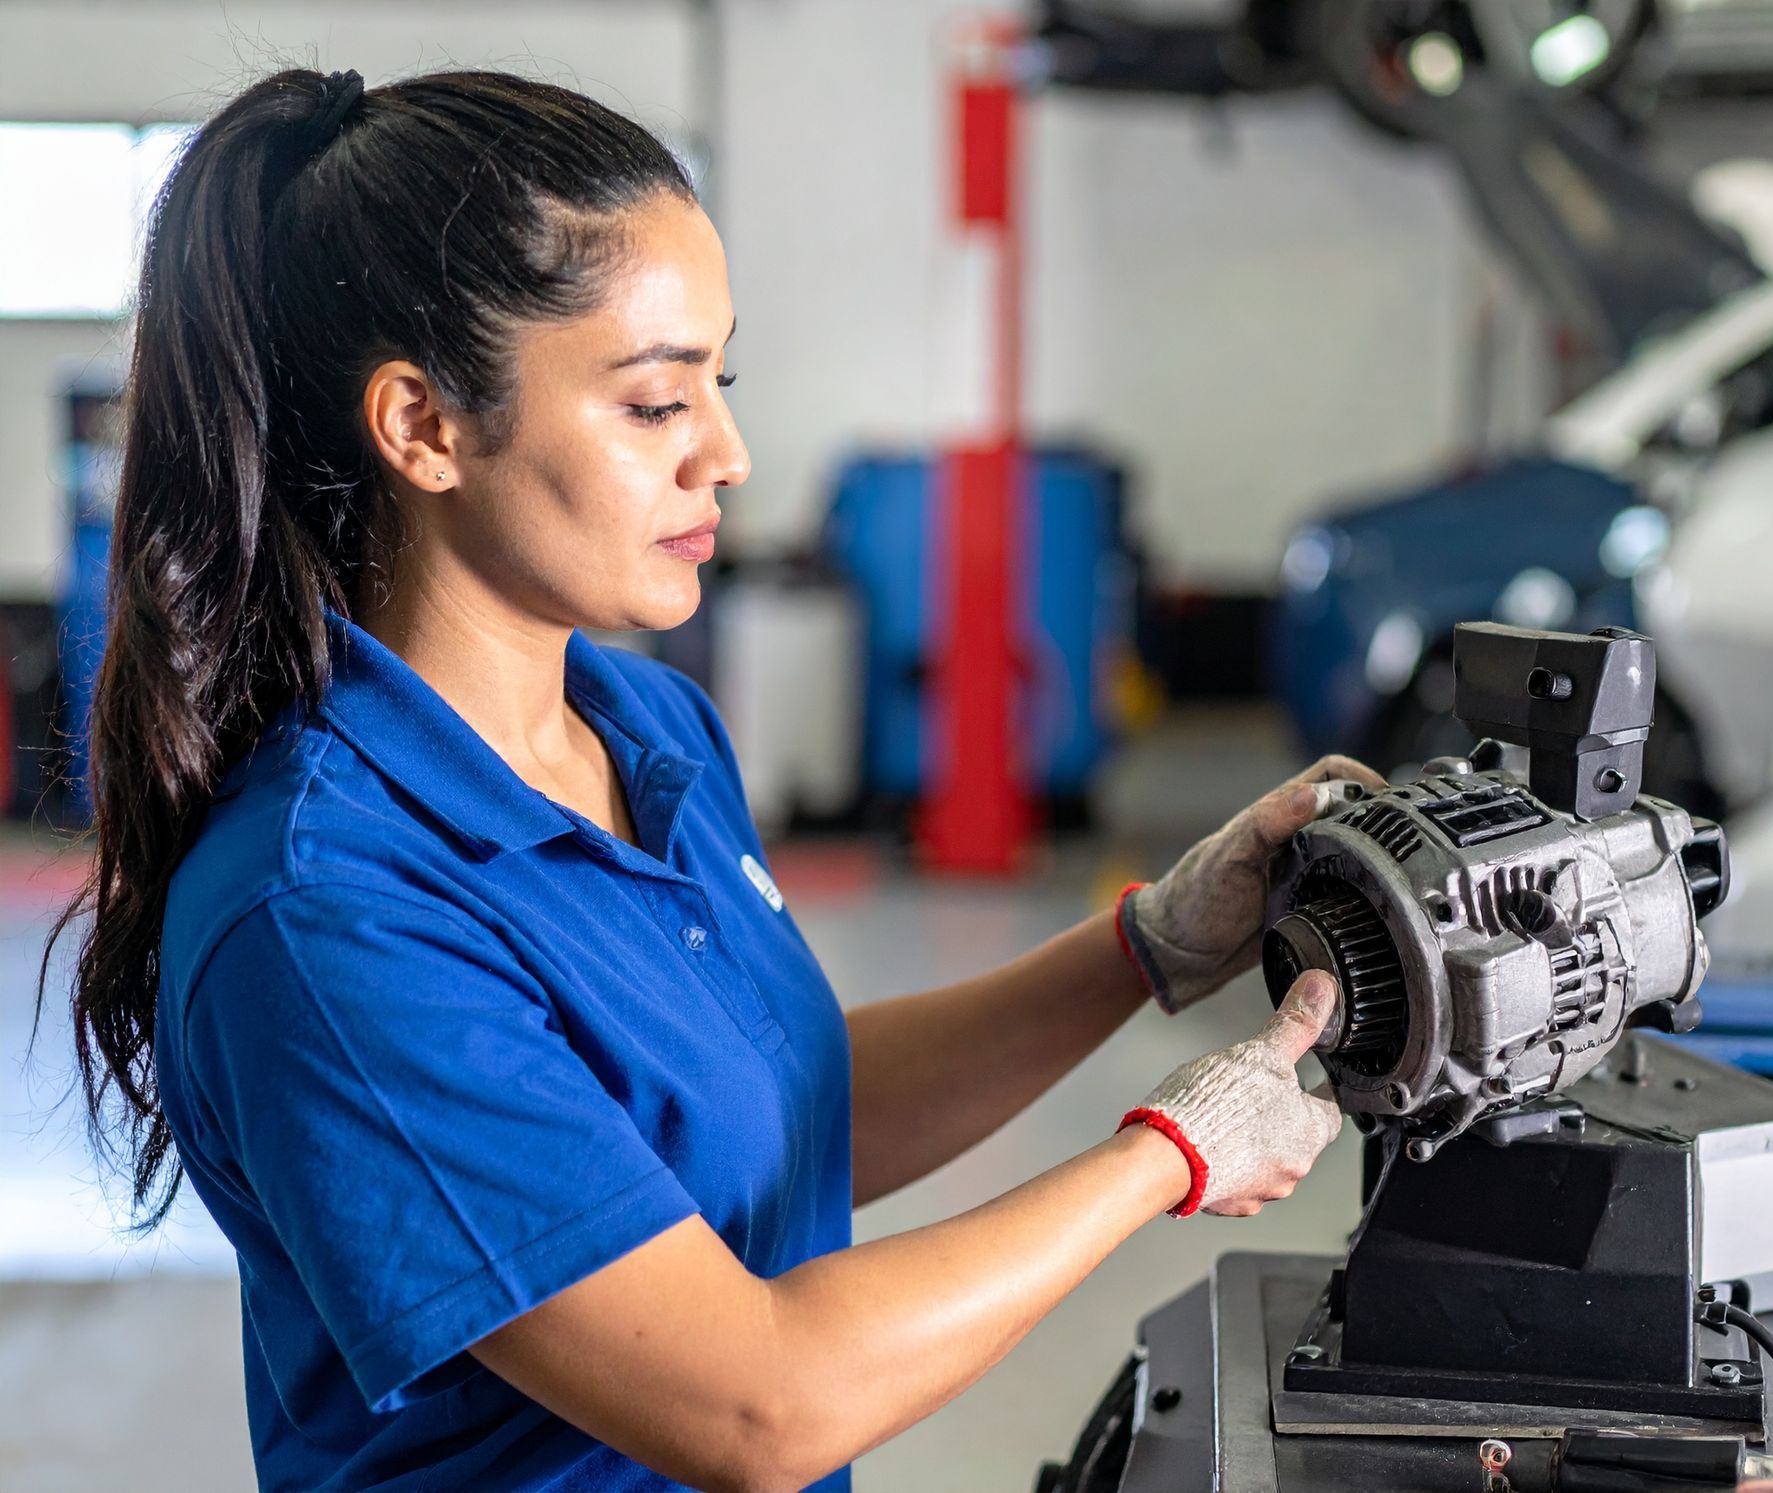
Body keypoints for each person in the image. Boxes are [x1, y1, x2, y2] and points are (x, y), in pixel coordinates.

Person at [41, 67, 1381, 1493]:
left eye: (719, 385)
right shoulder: (329, 912)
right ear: (423, 427)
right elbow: (757, 1403)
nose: (727, 456)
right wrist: (1168, 1153)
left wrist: (1145, 946)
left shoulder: (647, 729)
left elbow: (771, 1116)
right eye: (656, 402)